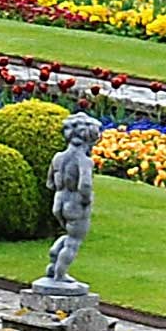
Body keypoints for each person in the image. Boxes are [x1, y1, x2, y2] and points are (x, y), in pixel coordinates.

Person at [46, 115, 102, 281]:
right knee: (74, 240)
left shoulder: (58, 157)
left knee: (68, 235)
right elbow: (84, 185)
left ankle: (54, 257)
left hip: (59, 201)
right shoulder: (84, 160)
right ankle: (60, 275)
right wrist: (86, 201)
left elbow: (50, 183)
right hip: (75, 203)